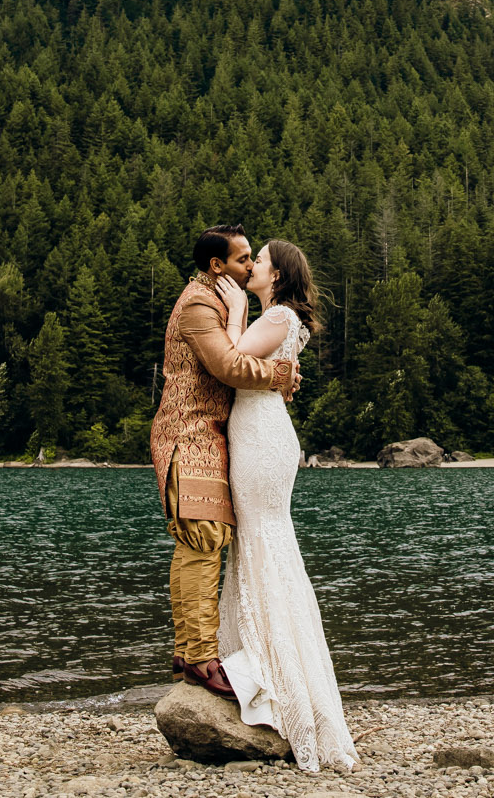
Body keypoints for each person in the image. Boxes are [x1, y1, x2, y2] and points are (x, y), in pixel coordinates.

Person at [210, 238, 357, 772]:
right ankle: (259, 663)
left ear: (278, 274)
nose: (252, 266)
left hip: (261, 437)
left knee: (262, 542)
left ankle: (277, 679)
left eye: (260, 261)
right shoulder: (282, 316)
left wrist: (234, 310)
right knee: (259, 545)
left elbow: (231, 360)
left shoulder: (276, 315)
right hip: (259, 432)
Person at [149, 226, 298, 702]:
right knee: (201, 537)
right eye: (242, 260)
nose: (251, 266)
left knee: (202, 539)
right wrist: (279, 373)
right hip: (187, 434)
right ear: (218, 266)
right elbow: (227, 366)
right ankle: (199, 659)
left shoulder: (220, 301)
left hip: (209, 435)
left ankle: (189, 652)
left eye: (254, 259)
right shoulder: (197, 304)